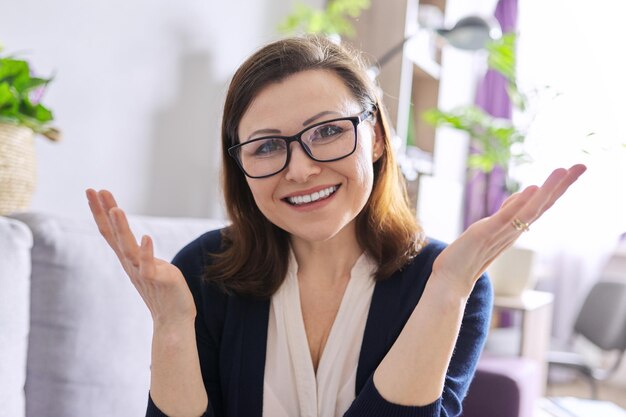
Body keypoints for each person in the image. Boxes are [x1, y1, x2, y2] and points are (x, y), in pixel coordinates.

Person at [86, 35, 586, 417]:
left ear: (375, 139)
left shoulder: (450, 283)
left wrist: (447, 292)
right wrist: (171, 328)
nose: (299, 169)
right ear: (241, 165)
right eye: (265, 145)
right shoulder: (202, 271)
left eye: (327, 131)